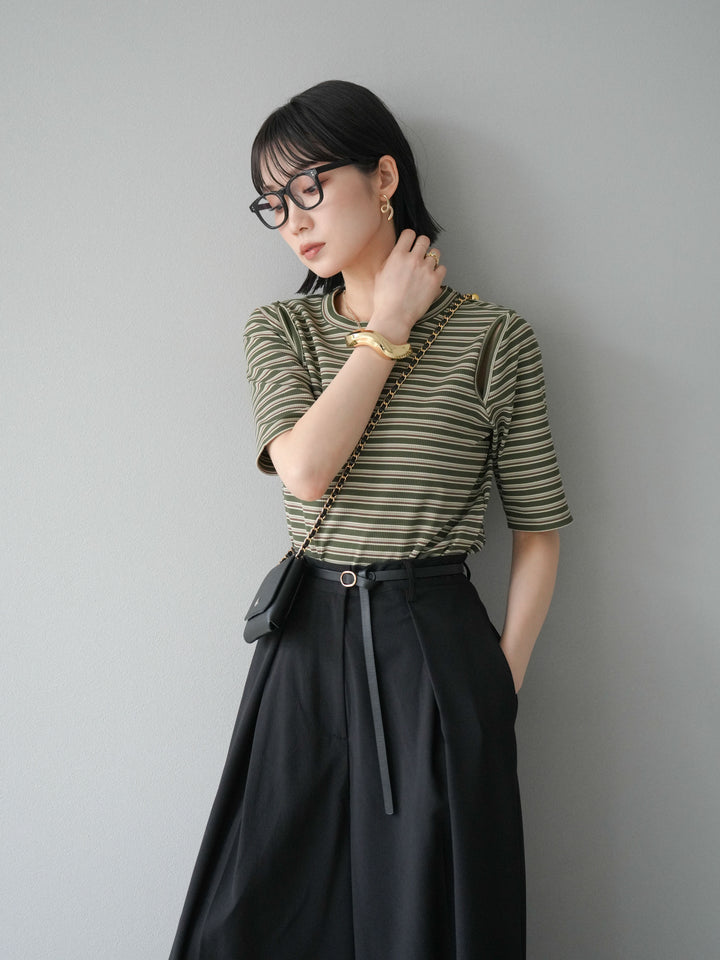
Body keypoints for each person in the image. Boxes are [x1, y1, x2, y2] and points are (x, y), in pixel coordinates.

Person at [169, 80, 572, 960]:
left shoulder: (495, 338)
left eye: (308, 187)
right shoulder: (281, 329)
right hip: (305, 645)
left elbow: (538, 529)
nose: (293, 221)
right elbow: (306, 471)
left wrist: (498, 685)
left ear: (383, 178)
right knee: (259, 912)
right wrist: (387, 323)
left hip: (434, 646)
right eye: (272, 204)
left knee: (424, 914)